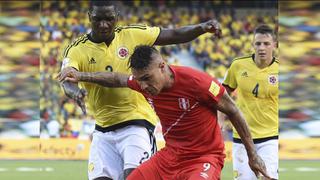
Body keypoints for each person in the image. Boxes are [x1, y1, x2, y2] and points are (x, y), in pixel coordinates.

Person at [59, 1, 223, 180]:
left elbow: (174, 34)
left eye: (109, 19)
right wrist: (75, 92)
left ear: (117, 17)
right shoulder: (76, 49)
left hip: (136, 124)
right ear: (90, 16)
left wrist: (201, 28)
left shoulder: (133, 34)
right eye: (98, 19)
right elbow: (67, 79)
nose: (104, 24)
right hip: (102, 129)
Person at [58, 45, 271, 180]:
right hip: (171, 156)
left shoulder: (198, 83)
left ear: (162, 66)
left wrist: (253, 156)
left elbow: (234, 111)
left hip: (204, 157)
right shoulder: (142, 83)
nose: (143, 85)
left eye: (147, 78)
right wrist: (82, 76)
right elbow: (118, 79)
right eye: (139, 79)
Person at [222, 24, 279, 180]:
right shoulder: (238, 65)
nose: (261, 47)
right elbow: (222, 93)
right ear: (253, 44)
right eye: (258, 43)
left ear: (274, 45)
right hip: (241, 137)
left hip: (270, 137)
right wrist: (219, 121)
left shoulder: (280, 70)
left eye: (266, 43)